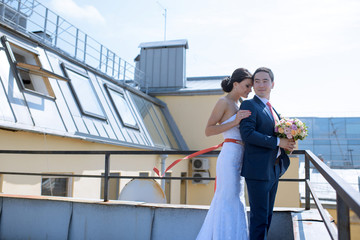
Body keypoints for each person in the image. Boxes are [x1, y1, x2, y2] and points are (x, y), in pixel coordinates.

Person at [196, 68, 253, 240]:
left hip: (240, 155)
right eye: (247, 86)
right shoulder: (223, 102)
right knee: (228, 198)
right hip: (229, 156)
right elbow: (208, 130)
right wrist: (235, 121)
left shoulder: (241, 103)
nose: (250, 89)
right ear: (235, 84)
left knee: (237, 198)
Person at [239, 67, 295, 240]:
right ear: (253, 84)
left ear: (272, 84)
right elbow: (247, 134)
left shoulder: (273, 110)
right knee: (259, 218)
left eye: (265, 81)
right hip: (258, 171)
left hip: (274, 169)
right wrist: (279, 142)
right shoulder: (249, 104)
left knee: (267, 216)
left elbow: (274, 135)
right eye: (257, 81)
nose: (261, 85)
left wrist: (286, 145)